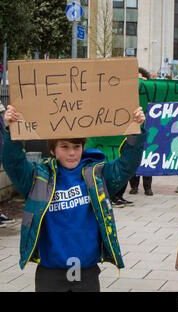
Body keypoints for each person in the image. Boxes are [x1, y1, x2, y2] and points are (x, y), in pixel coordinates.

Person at [2, 104, 146, 292]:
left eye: (76, 147)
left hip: (87, 271)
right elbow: (14, 163)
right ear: (52, 150)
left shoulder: (97, 175)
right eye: (64, 147)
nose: (71, 153)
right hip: (50, 271)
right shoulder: (38, 178)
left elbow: (126, 165)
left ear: (83, 147)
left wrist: (136, 130)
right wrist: (10, 129)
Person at [129, 67, 154, 197]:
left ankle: (147, 187)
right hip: (133, 128)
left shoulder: (149, 91)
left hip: (148, 128)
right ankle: (133, 186)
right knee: (133, 157)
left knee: (147, 157)